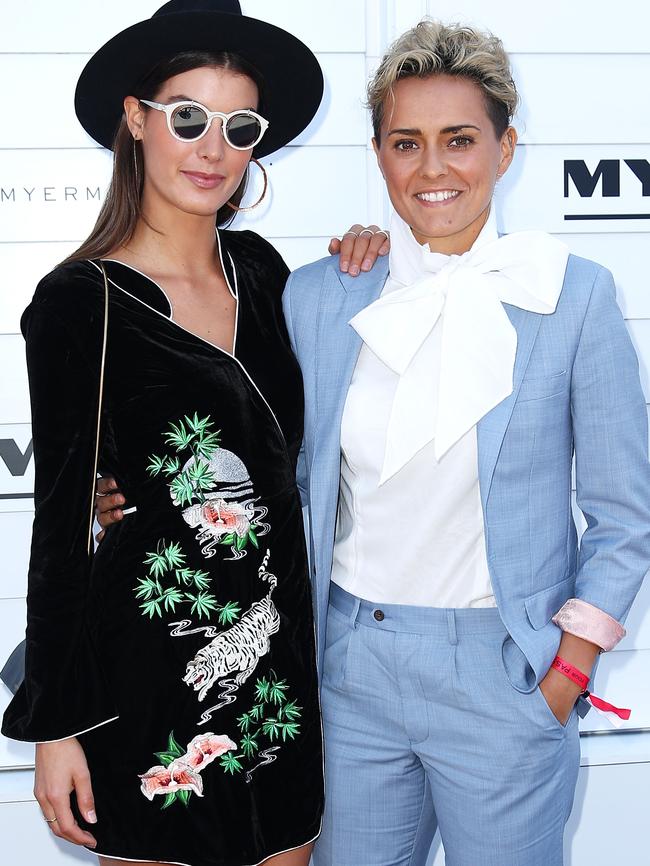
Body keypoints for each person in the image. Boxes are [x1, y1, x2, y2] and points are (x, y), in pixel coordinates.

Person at [1, 2, 387, 865]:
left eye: (238, 125)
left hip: (279, 684)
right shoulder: (79, 303)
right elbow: (59, 530)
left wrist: (364, 260)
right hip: (142, 680)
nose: (213, 150)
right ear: (136, 120)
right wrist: (55, 730)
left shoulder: (266, 271)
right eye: (187, 118)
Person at [279, 20, 650, 866]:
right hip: (349, 672)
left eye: (460, 140)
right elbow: (275, 477)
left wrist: (569, 676)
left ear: (506, 147)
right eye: (407, 143)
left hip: (504, 676)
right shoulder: (321, 298)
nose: (433, 169)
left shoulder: (574, 297)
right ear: (378, 154)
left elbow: (626, 513)